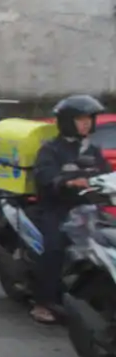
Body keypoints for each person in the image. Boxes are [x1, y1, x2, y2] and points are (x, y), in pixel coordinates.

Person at [30, 95, 109, 324]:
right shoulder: (51, 150)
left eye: (89, 119)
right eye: (80, 119)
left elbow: (105, 175)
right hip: (57, 209)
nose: (86, 123)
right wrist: (65, 182)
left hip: (87, 209)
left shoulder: (92, 150)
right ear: (66, 121)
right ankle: (42, 303)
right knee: (55, 248)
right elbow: (44, 176)